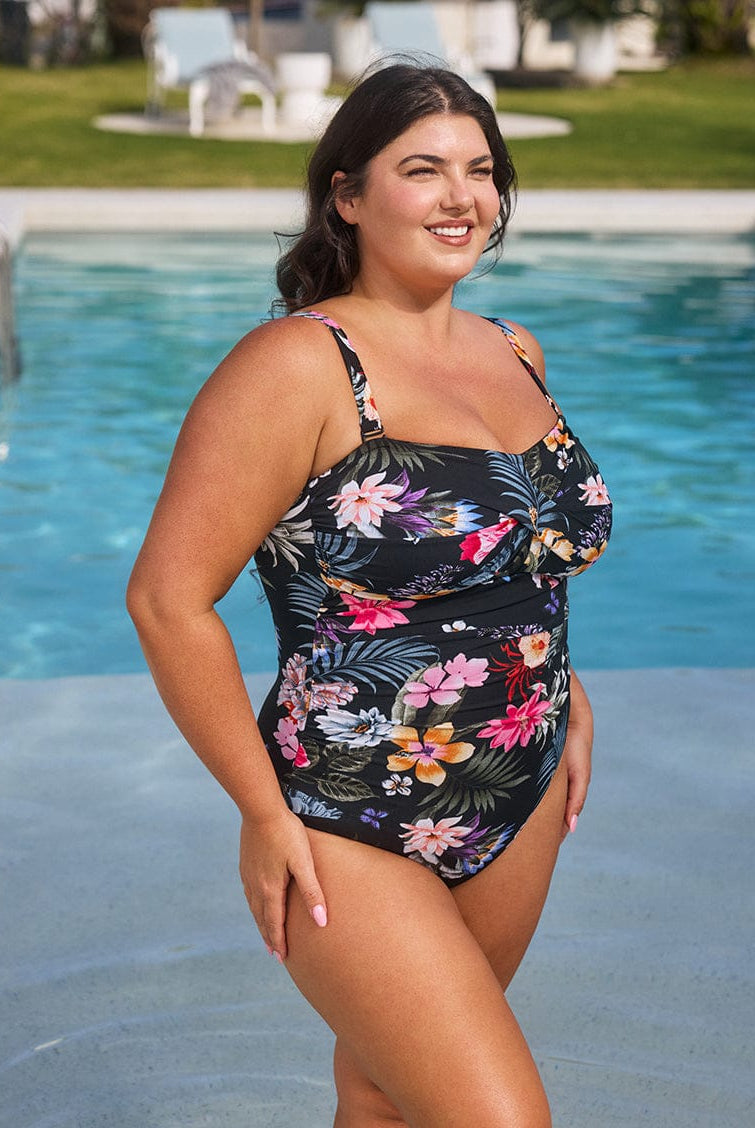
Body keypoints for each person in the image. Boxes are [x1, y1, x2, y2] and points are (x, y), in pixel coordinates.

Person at [127, 62, 612, 1128]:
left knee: (386, 1095)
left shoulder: (510, 350)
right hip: (346, 810)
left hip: (516, 789)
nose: (461, 199)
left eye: (480, 171)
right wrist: (260, 812)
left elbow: (521, 553)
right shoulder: (296, 368)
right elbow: (167, 599)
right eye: (422, 169)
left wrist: (563, 690)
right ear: (345, 193)